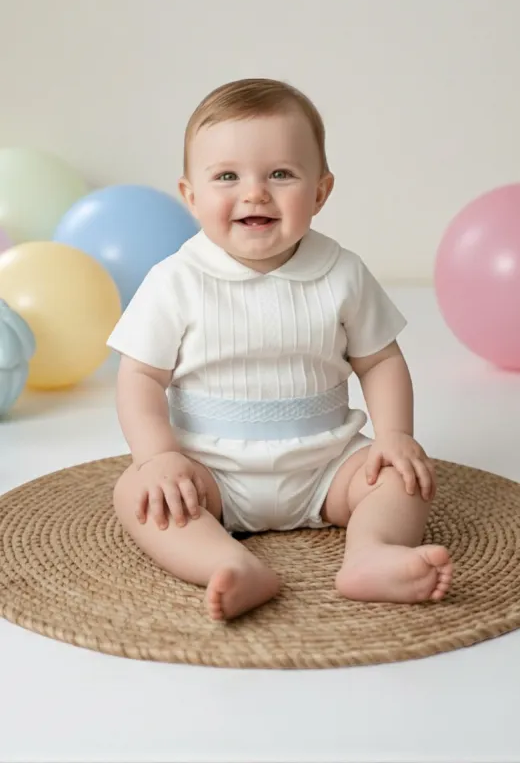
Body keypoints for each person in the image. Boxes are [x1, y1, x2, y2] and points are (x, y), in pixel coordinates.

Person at [108, 78, 452, 621]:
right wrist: (158, 457)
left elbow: (380, 361)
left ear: (319, 192)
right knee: (138, 494)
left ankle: (372, 552)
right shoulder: (175, 280)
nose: (255, 193)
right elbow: (140, 378)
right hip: (209, 470)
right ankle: (227, 564)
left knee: (404, 480)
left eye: (281, 174)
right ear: (191, 196)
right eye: (227, 176)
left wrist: (393, 436)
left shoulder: (342, 272)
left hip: (328, 464)